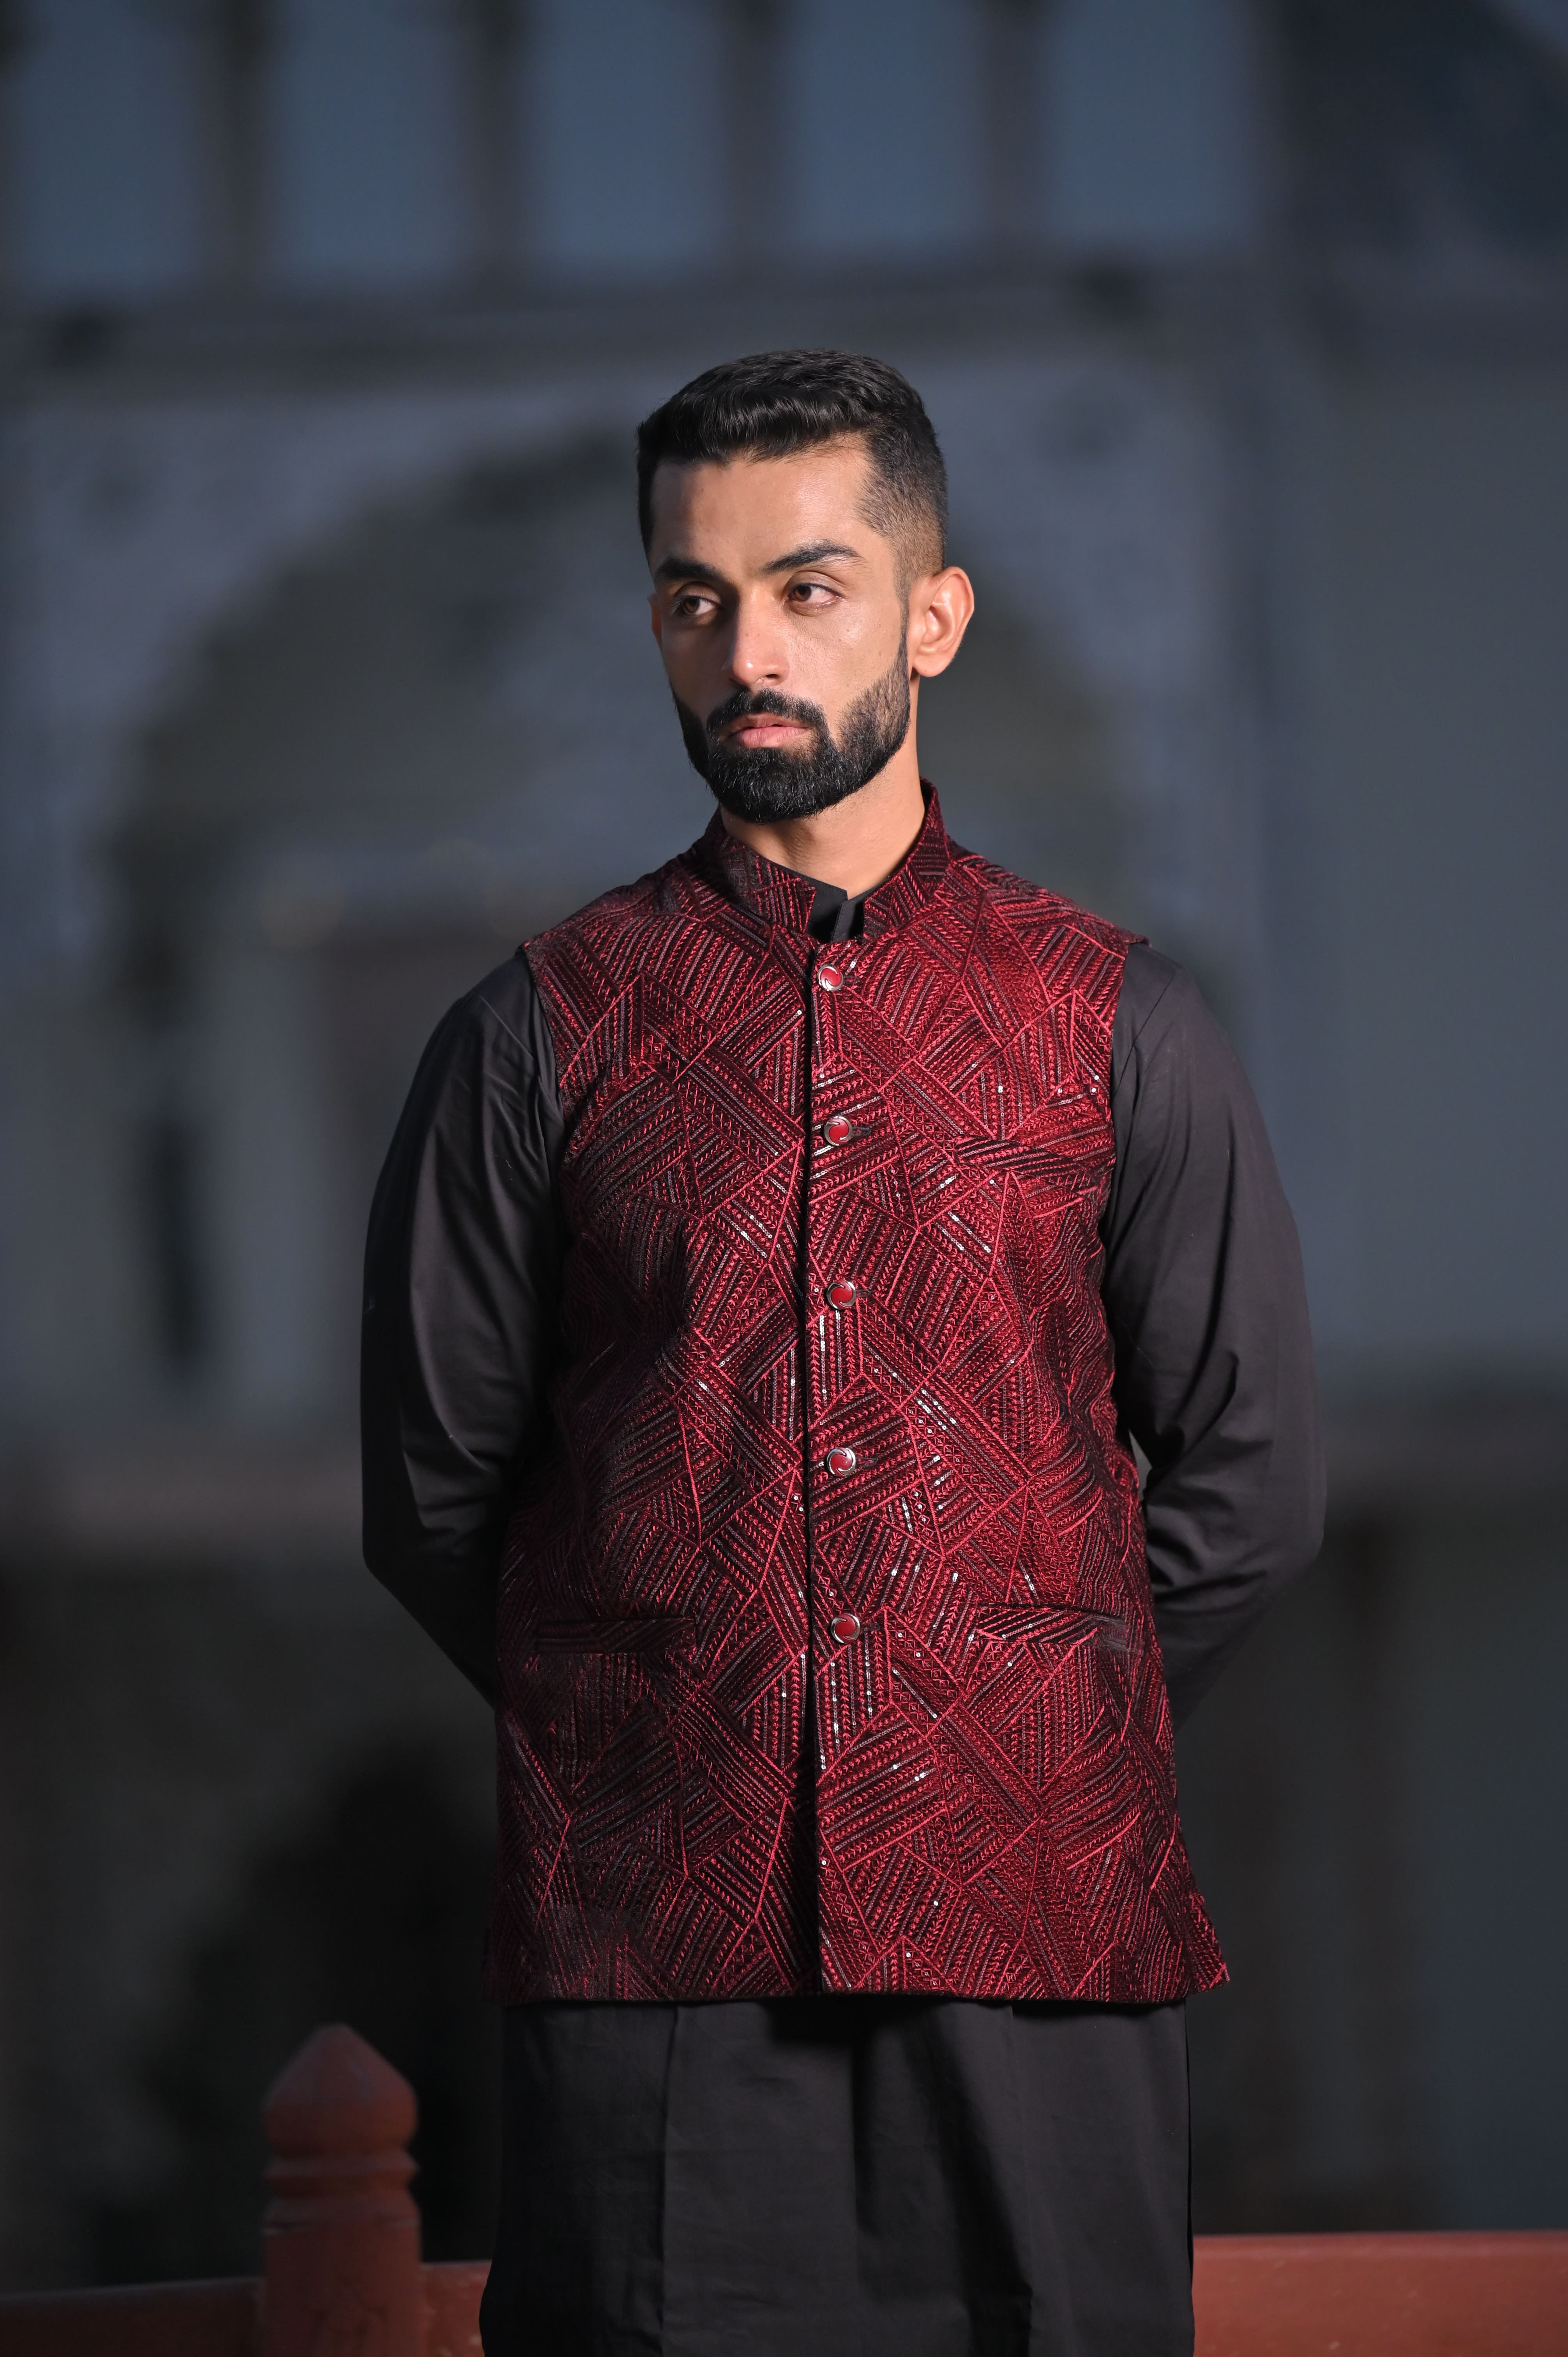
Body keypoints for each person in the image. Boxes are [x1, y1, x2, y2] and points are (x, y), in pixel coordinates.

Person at [361, 349, 1324, 2357]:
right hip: (652, 1945)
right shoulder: (535, 1033)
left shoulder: (1119, 1025)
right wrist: (665, 1714)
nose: (750, 652)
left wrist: (1012, 1723)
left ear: (931, 616)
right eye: (696, 598)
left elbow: (1245, 1487)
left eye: (809, 588)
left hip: (1041, 1933)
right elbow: (435, 1494)